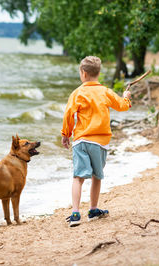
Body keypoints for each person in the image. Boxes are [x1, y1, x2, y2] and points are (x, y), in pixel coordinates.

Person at [61, 56, 132, 227]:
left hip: (81, 141)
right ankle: (93, 210)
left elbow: (69, 115)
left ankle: (75, 213)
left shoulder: (77, 93)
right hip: (100, 142)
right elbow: (122, 106)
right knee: (96, 176)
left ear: (83, 73)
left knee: (78, 177)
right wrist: (127, 96)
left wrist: (66, 134)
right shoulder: (105, 92)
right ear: (98, 73)